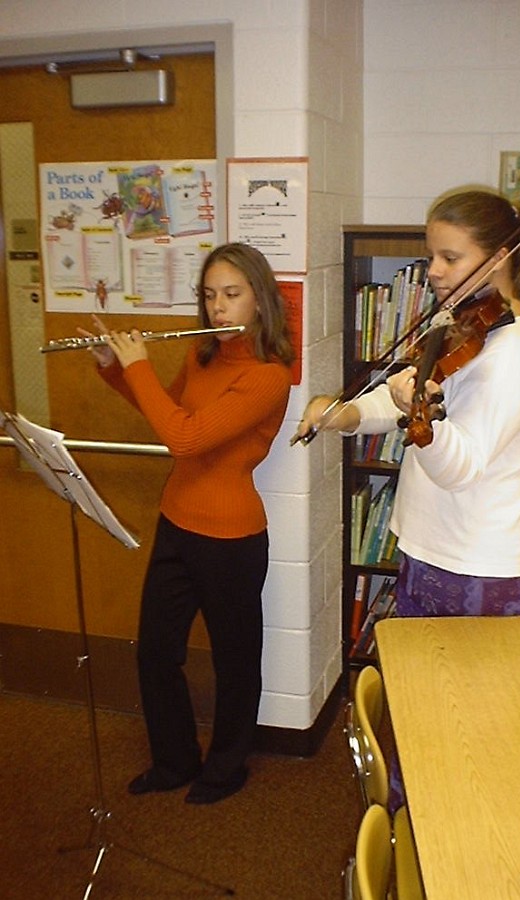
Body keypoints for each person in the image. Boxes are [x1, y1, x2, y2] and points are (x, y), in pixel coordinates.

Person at [295, 187, 520, 803]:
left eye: (450, 257)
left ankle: (447, 836)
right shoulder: (468, 325)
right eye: (431, 255)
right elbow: (410, 392)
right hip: (435, 552)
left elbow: (459, 464)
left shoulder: (517, 356)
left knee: (468, 731)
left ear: (499, 258)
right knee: (423, 712)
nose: (433, 271)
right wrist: (346, 415)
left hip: (483, 570)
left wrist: (418, 413)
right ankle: (407, 825)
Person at [81, 242, 294, 804]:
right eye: (209, 295)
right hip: (177, 520)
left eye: (232, 294)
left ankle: (226, 768)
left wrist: (138, 364)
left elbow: (187, 438)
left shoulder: (269, 376)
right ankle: (174, 760)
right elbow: (168, 411)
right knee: (155, 651)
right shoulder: (203, 357)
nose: (218, 307)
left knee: (235, 661)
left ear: (259, 300)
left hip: (232, 537)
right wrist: (116, 370)